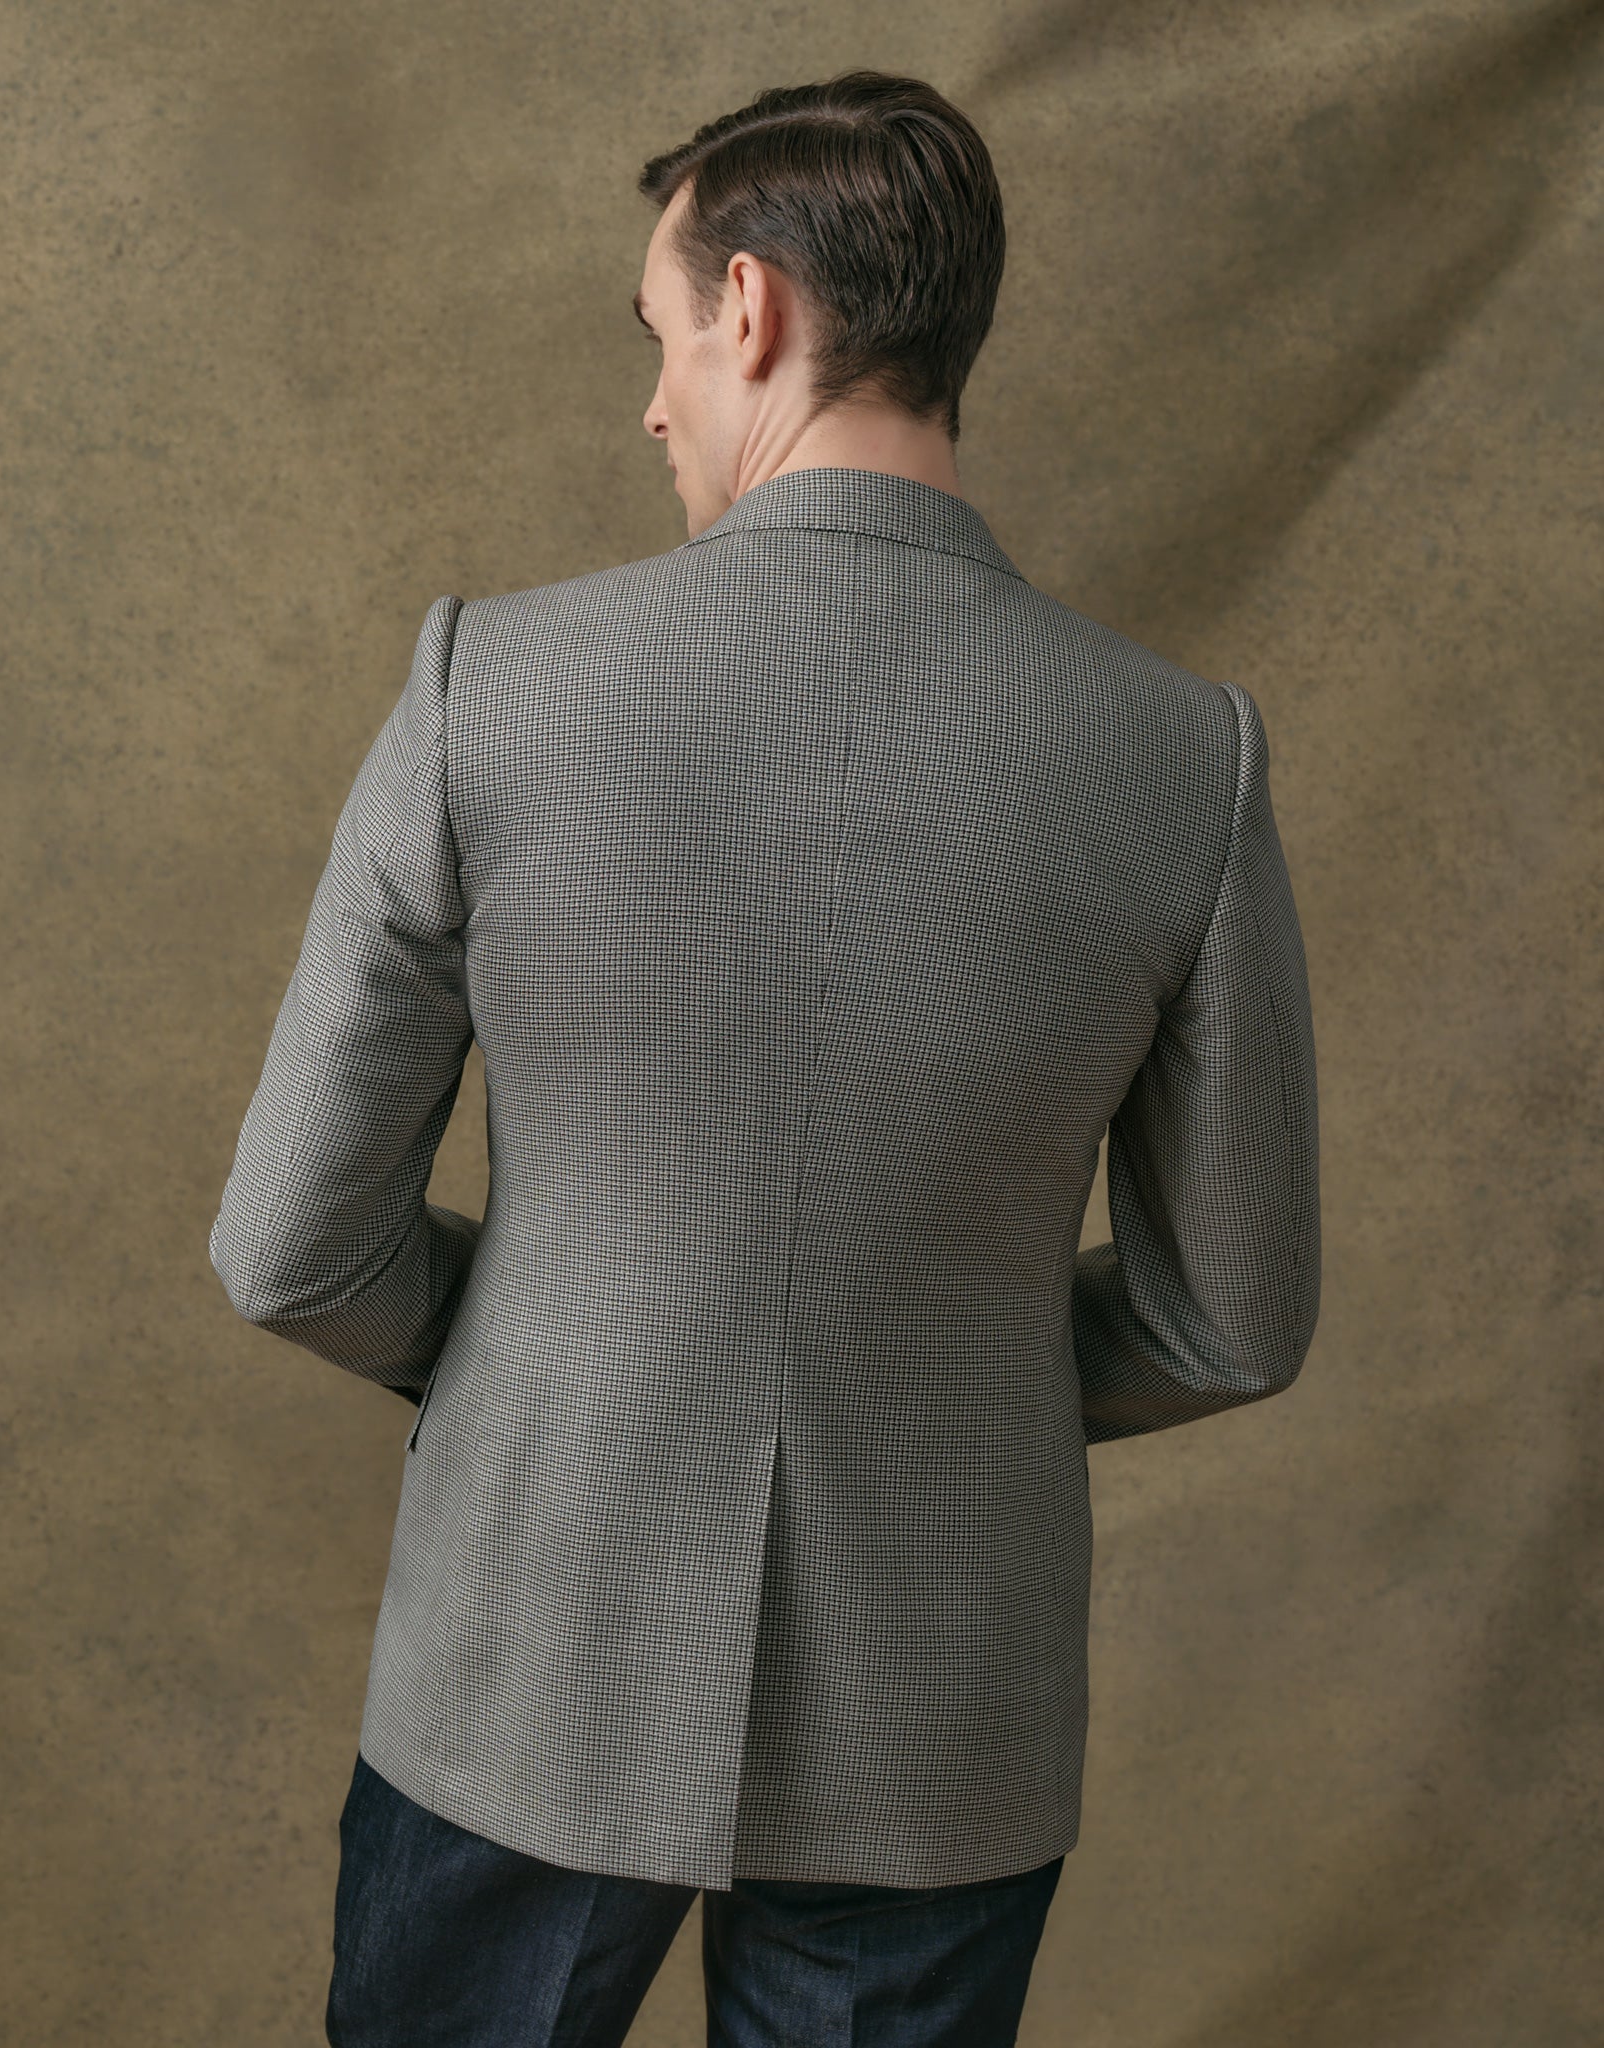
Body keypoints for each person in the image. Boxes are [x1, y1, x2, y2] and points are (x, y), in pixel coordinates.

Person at [208, 66, 1321, 2048]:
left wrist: (541, 1357)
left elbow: (290, 1247)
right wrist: (947, 1363)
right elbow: (1229, 1321)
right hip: (939, 1701)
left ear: (750, 308)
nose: (653, 405)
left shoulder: (486, 689)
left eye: (656, 335)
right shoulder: (1185, 760)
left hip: (530, 1648)